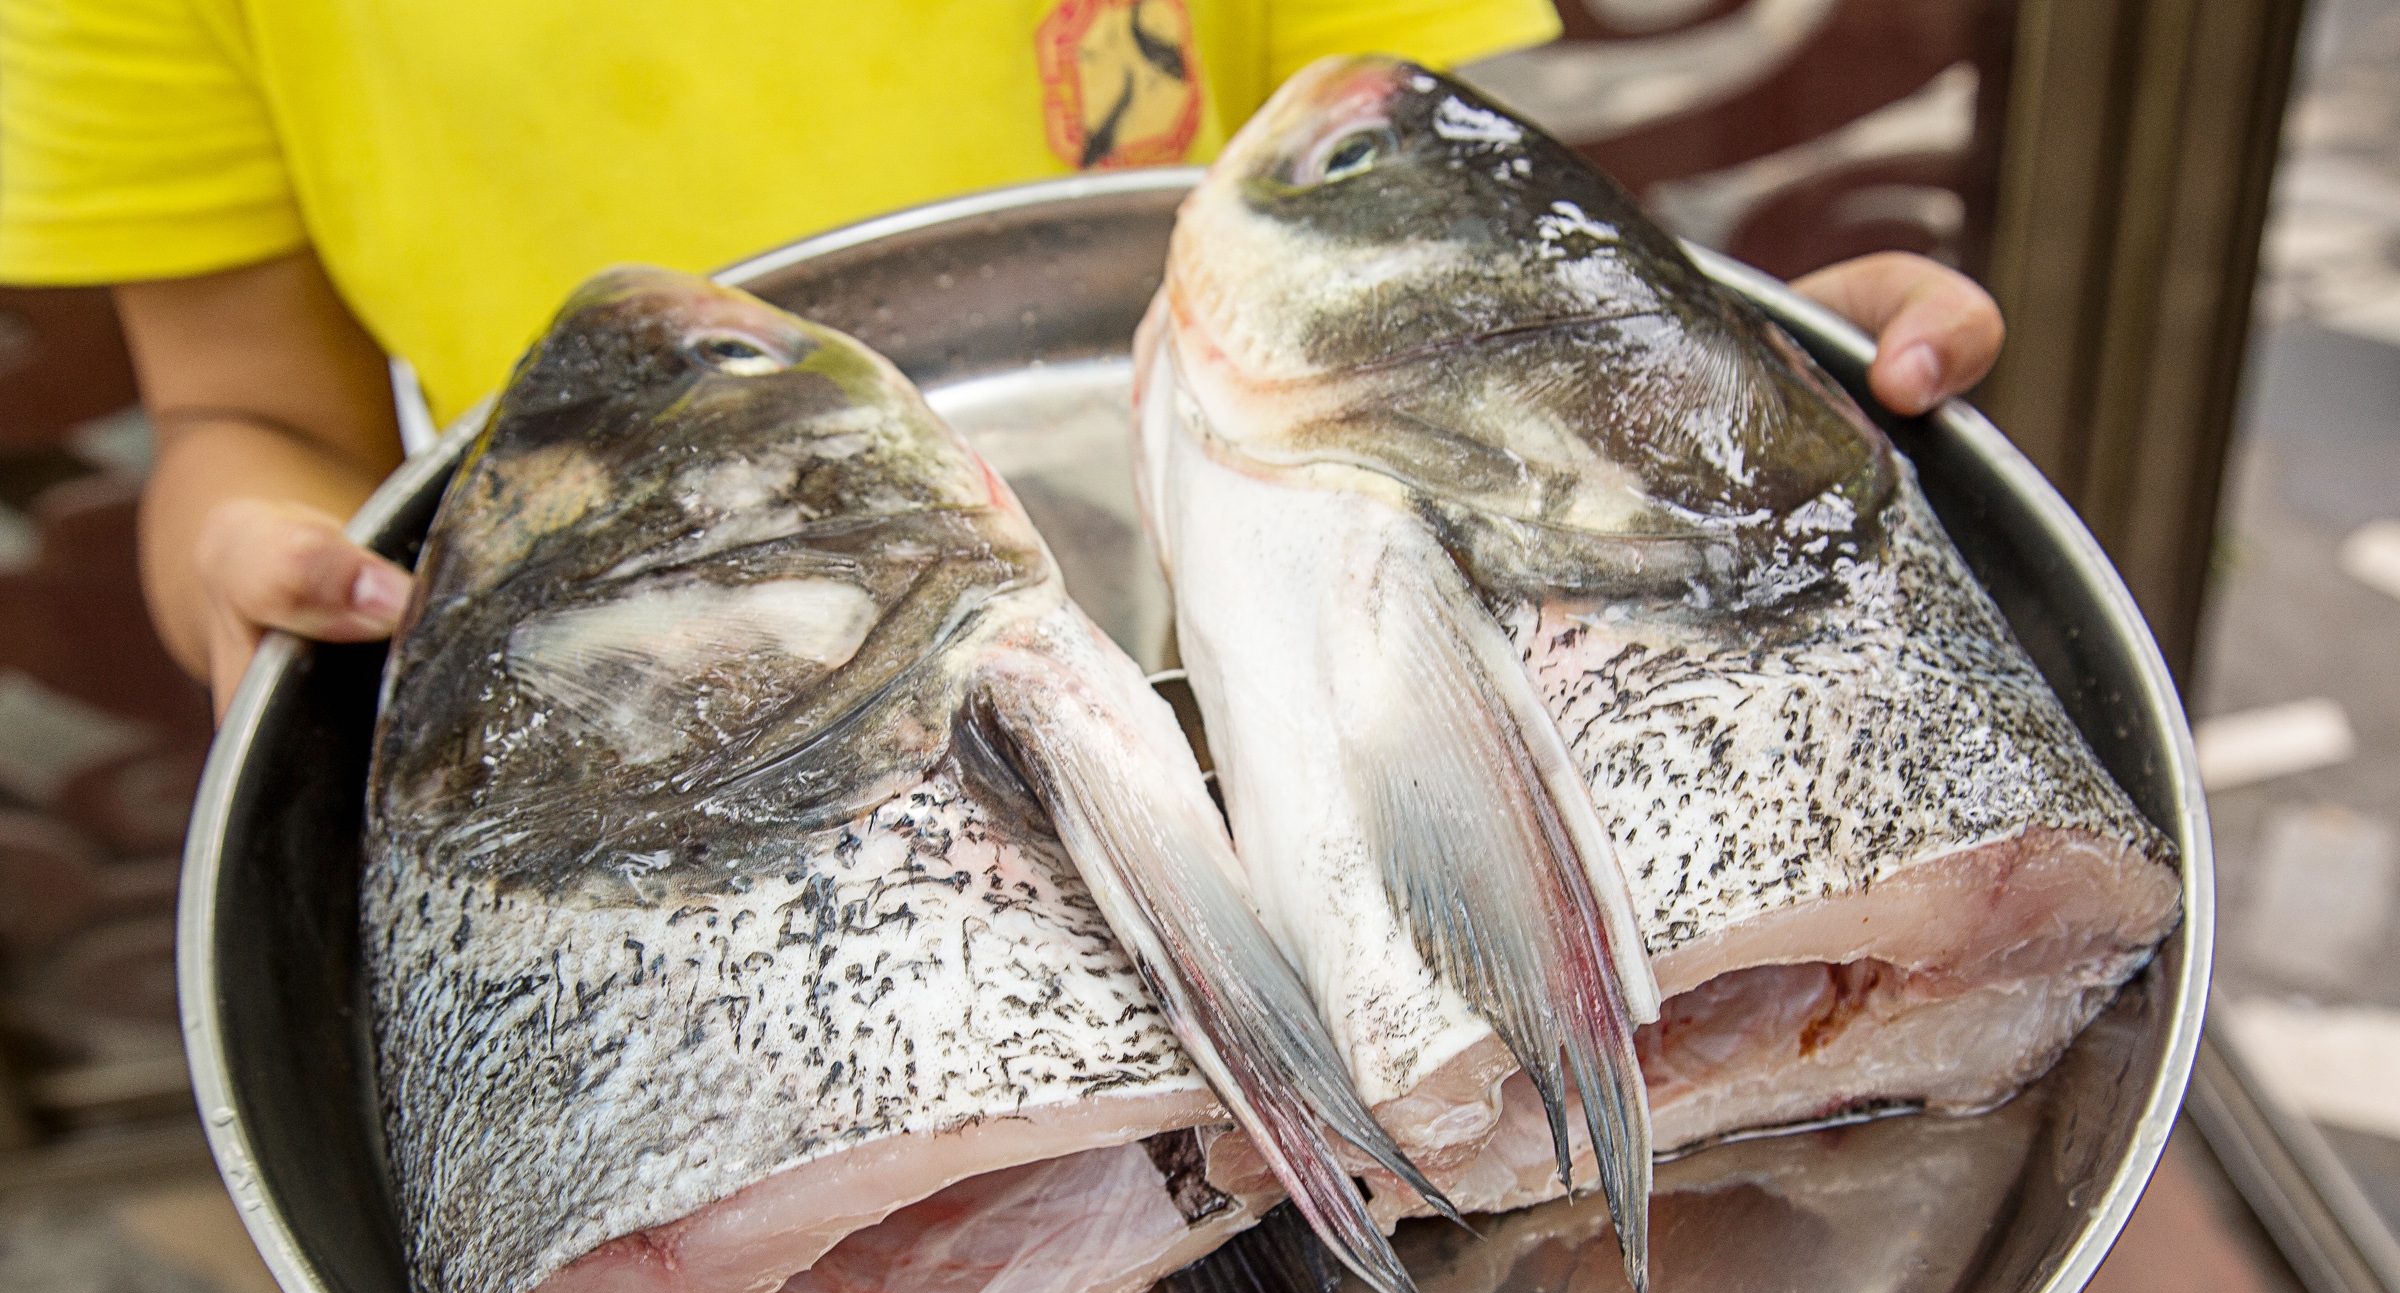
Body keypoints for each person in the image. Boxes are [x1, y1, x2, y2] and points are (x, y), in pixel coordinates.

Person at [0, 0, 2002, 719]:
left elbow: (1397, 184)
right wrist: (246, 557)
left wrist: (1711, 374)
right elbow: (243, 410)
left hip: (1294, 621)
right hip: (689, 706)